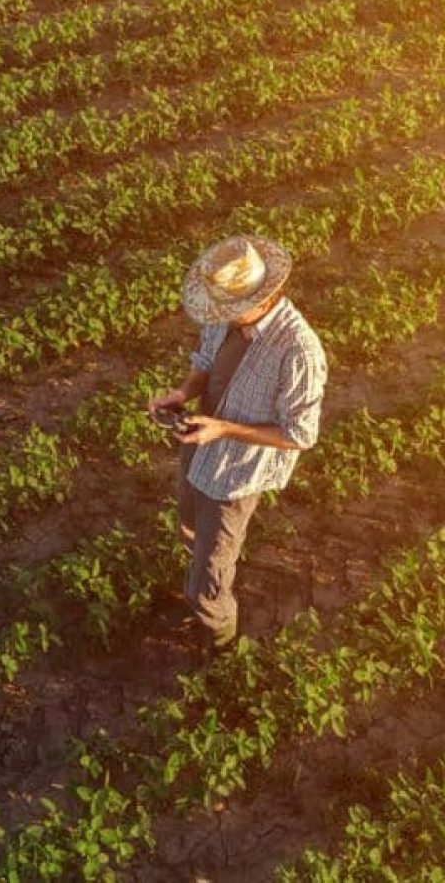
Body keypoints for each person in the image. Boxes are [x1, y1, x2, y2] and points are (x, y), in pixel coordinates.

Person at [147, 235, 328, 648]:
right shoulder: (225, 318)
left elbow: (300, 434)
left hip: (236, 474)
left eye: (231, 309)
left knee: (211, 575)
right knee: (189, 527)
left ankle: (220, 640)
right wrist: (182, 394)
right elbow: (205, 366)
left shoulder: (298, 351)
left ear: (264, 299)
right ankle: (199, 591)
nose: (221, 316)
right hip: (199, 446)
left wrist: (225, 430)